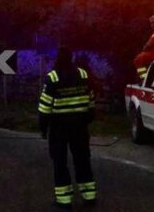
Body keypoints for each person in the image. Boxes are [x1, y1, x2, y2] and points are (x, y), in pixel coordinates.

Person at [39, 47, 97, 209]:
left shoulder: (53, 78)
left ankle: (64, 200)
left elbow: (44, 108)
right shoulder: (83, 75)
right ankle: (89, 195)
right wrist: (87, 119)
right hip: (80, 128)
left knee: (60, 162)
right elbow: (90, 102)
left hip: (59, 129)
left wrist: (43, 129)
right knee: (83, 160)